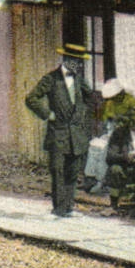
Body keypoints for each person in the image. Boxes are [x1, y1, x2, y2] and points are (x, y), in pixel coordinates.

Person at [24, 43, 97, 218]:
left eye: (80, 62)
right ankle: (58, 209)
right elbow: (31, 98)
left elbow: (91, 99)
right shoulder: (51, 79)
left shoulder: (80, 80)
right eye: (76, 61)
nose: (79, 65)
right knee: (57, 170)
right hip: (58, 132)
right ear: (66, 60)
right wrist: (48, 114)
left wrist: (82, 114)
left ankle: (69, 207)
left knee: (73, 170)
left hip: (76, 134)